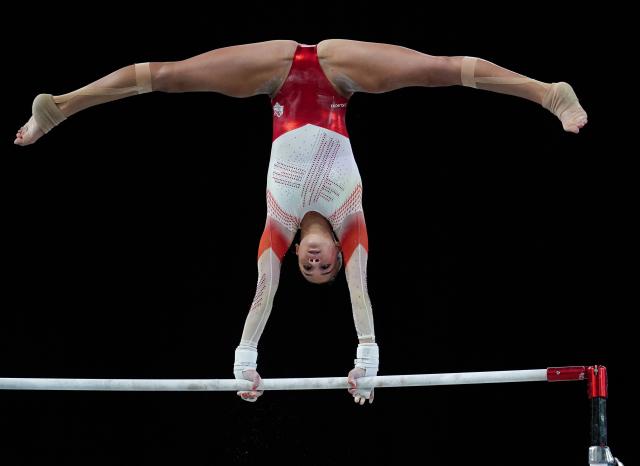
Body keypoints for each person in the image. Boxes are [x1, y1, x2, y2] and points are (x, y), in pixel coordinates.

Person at [14, 39, 588, 405]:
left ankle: (60, 104)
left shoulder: (278, 226)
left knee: (169, 74)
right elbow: (361, 296)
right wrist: (368, 354)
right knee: (436, 69)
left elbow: (262, 295)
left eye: (306, 271)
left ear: (297, 257)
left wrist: (245, 361)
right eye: (325, 270)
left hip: (272, 81)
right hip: (339, 76)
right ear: (337, 255)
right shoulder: (351, 219)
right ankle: (548, 93)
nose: (315, 264)